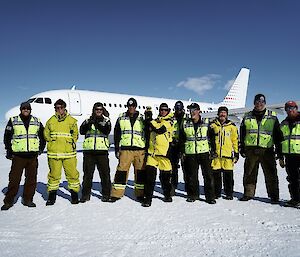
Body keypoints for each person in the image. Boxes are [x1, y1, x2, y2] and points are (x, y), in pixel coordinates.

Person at [1, 102, 46, 211]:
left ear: (30, 110)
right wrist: (9, 150)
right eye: (24, 108)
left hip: (32, 156)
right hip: (18, 156)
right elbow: (7, 136)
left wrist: (40, 149)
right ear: (21, 109)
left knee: (31, 179)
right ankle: (9, 201)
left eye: (28, 108)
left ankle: (28, 199)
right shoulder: (14, 120)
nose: (26, 110)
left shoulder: (37, 121)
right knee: (14, 179)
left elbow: (42, 136)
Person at [239, 94, 283, 204]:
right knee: (249, 173)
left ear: (265, 103)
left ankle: (274, 196)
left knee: (271, 174)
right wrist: (242, 148)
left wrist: (279, 151)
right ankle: (248, 193)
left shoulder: (272, 116)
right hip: (251, 149)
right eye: (257, 101)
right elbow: (243, 133)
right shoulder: (247, 116)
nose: (259, 104)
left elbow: (277, 135)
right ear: (254, 103)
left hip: (267, 150)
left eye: (262, 102)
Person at [44, 99, 80, 205]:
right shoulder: (50, 121)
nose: (58, 110)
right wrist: (52, 143)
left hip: (69, 154)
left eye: (60, 107)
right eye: (56, 108)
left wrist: (70, 143)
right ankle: (51, 197)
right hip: (54, 154)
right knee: (53, 176)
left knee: (73, 175)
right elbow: (46, 134)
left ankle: (74, 196)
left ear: (64, 108)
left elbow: (75, 135)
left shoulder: (72, 121)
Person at [179, 103, 216, 204]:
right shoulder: (185, 123)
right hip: (190, 153)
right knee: (192, 176)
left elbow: (212, 137)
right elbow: (182, 138)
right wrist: (182, 152)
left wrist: (213, 151)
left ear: (199, 111)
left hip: (204, 153)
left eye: (194, 110)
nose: (192, 112)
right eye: (191, 110)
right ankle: (193, 195)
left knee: (208, 176)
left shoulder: (207, 122)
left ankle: (210, 197)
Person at [110, 97, 146, 201]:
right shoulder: (121, 117)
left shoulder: (142, 118)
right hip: (125, 150)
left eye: (133, 106)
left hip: (140, 149)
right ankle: (116, 194)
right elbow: (117, 133)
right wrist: (117, 148)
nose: (131, 108)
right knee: (121, 172)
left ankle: (140, 194)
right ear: (127, 107)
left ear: (136, 107)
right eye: (130, 106)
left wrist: (147, 149)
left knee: (140, 173)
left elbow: (147, 133)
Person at [142, 103, 174, 207]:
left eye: (165, 110)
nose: (163, 111)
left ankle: (167, 195)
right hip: (152, 154)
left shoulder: (170, 121)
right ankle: (147, 199)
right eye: (161, 109)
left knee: (165, 178)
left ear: (168, 111)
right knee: (149, 178)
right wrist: (147, 120)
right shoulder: (155, 121)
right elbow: (148, 130)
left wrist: (149, 121)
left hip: (164, 154)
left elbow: (160, 130)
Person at [80, 102, 112, 203]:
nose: (98, 111)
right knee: (87, 175)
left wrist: (96, 123)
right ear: (94, 110)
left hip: (102, 151)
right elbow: (82, 131)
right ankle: (85, 195)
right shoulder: (87, 120)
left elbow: (106, 131)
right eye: (97, 109)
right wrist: (90, 123)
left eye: (100, 109)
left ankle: (106, 194)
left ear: (102, 111)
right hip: (89, 151)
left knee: (105, 174)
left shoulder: (106, 121)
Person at [210, 106, 239, 200]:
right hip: (216, 155)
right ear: (218, 114)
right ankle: (216, 192)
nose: (222, 114)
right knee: (216, 175)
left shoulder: (232, 126)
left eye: (224, 113)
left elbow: (235, 140)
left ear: (227, 114)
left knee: (228, 176)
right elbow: (209, 139)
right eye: (221, 113)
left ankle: (229, 193)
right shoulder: (212, 125)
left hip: (228, 155)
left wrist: (236, 153)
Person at [279, 101, 300, 208]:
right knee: (292, 179)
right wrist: (280, 157)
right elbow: (279, 141)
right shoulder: (283, 124)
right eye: (288, 108)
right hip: (289, 156)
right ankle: (295, 199)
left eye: (293, 108)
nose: (291, 110)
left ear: (296, 108)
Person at [169, 101, 185, 195]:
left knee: (186, 168)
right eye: (177, 108)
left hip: (184, 146)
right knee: (173, 168)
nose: (178, 110)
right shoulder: (172, 118)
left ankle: (188, 188)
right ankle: (173, 187)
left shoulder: (187, 118)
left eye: (180, 108)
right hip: (174, 146)